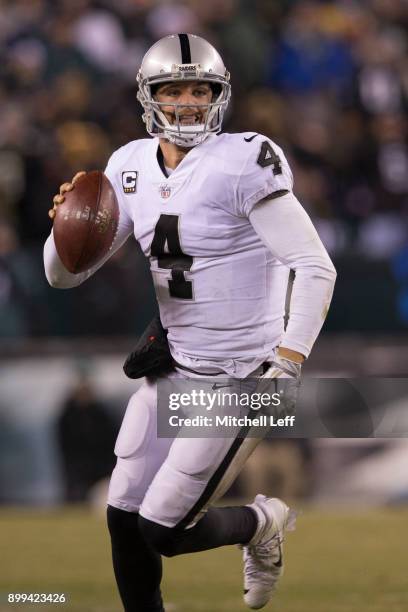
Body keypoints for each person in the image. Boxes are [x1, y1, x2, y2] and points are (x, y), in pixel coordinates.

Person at [44, 33, 336, 612]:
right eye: (172, 89)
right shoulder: (128, 166)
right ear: (148, 97)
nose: (186, 103)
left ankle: (261, 524)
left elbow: (314, 266)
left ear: (218, 95)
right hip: (175, 367)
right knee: (122, 515)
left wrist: (289, 359)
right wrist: (64, 230)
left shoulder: (242, 160)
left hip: (242, 377)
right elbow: (64, 276)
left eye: (198, 89)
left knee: (163, 530)